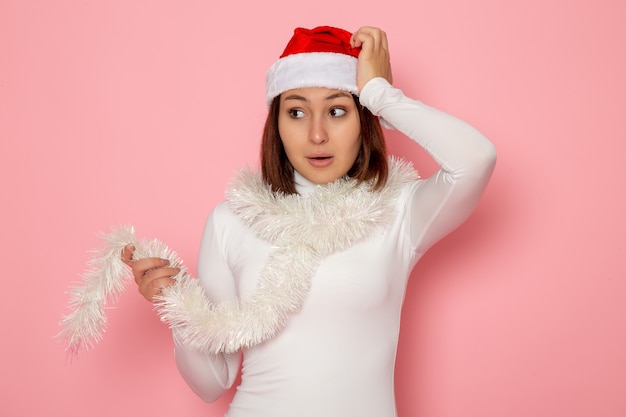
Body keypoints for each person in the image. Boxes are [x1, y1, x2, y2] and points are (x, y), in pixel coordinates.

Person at [121, 25, 496, 417]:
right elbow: (211, 383)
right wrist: (178, 306)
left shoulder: (399, 211)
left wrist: (382, 95)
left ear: (364, 118)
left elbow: (476, 160)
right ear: (276, 123)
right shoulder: (231, 221)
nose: (317, 134)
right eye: (296, 112)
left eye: (337, 111)